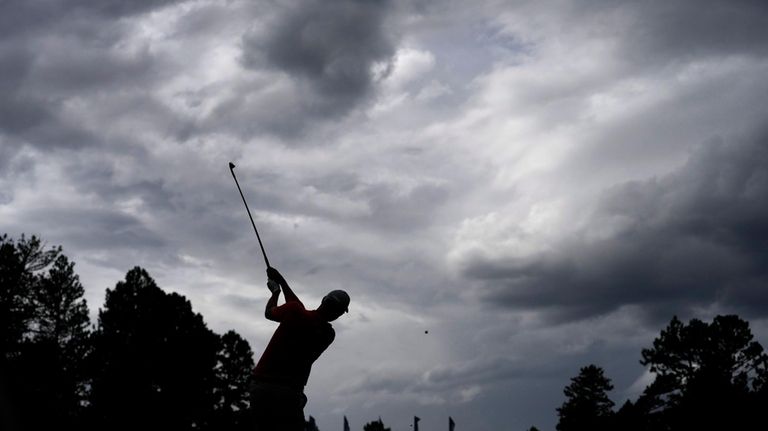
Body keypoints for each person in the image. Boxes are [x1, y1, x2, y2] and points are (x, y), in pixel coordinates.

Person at [250, 266, 350, 431]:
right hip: (290, 394)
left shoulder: (295, 311)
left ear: (323, 300)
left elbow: (270, 312)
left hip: (262, 387)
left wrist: (275, 292)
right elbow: (298, 308)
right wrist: (282, 281)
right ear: (338, 314)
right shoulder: (327, 334)